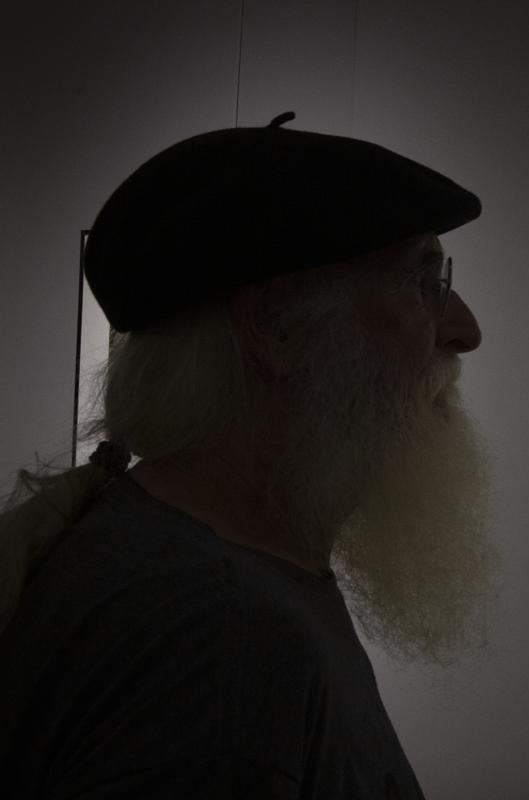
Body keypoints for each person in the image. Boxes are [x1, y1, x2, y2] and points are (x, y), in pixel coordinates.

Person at [0, 113, 496, 798]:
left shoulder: (195, 572)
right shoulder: (220, 643)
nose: (465, 329)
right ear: (279, 329)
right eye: (421, 281)